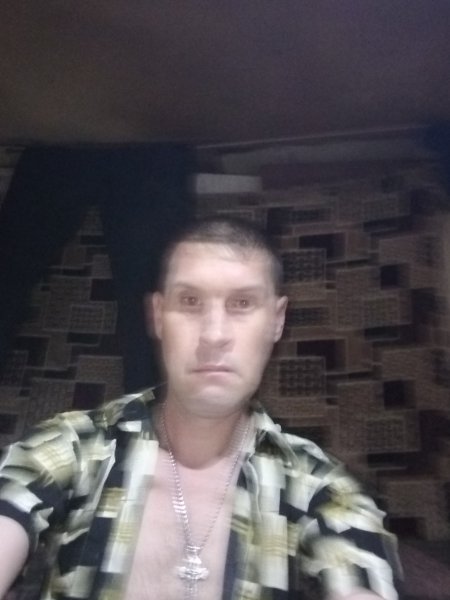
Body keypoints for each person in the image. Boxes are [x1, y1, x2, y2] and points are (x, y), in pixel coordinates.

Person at [0, 216, 400, 600]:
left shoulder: (321, 487)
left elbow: (356, 575)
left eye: (242, 303)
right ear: (158, 316)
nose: (214, 334)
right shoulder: (74, 446)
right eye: (190, 301)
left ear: (277, 321)